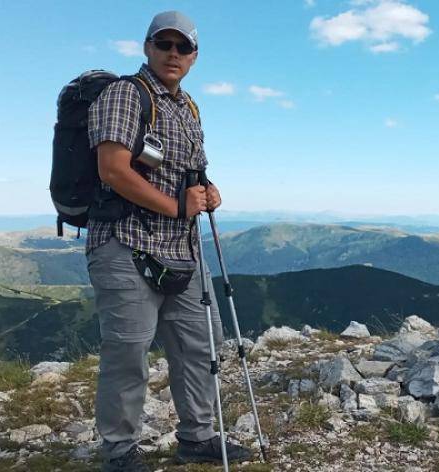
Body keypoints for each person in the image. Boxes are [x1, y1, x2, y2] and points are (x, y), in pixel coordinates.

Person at [85, 10, 252, 471]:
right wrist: (178, 207)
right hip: (125, 242)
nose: (173, 53)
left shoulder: (188, 107)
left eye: (183, 47)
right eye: (164, 44)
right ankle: (119, 451)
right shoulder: (126, 94)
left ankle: (197, 436)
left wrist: (207, 189)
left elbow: (190, 169)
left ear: (194, 56)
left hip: (182, 249)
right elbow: (112, 170)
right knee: (128, 352)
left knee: (201, 343)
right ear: (148, 48)